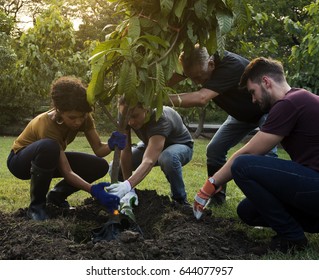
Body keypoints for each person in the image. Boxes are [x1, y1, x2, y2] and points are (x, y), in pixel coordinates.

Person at [193, 57, 319, 254]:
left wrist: (209, 186)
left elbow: (250, 151)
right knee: (248, 211)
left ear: (266, 82)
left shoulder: (289, 103)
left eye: (253, 92)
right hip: (313, 187)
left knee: (243, 165)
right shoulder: (299, 99)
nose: (253, 100)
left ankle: (292, 237)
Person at [167, 45, 277, 204]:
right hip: (240, 116)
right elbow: (172, 78)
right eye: (191, 77)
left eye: (198, 77)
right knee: (214, 150)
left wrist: (160, 99)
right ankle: (217, 196)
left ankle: (267, 201)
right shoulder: (200, 63)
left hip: (265, 110)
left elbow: (201, 98)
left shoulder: (230, 65)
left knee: (267, 154)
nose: (196, 82)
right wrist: (148, 90)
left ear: (211, 64)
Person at [7, 76, 126, 221]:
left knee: (99, 166)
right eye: (72, 117)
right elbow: (67, 172)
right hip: (20, 162)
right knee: (49, 146)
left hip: (50, 159)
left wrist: (112, 144)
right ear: (59, 110)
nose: (78, 122)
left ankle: (56, 196)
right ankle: (36, 207)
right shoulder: (46, 124)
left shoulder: (84, 117)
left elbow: (99, 150)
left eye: (81, 116)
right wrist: (93, 190)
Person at [105, 97, 194, 205]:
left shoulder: (160, 117)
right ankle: (124, 199)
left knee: (168, 157)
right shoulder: (125, 113)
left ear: (146, 108)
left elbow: (149, 160)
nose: (130, 121)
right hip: (151, 144)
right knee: (115, 165)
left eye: (135, 116)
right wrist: (129, 189)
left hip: (180, 145)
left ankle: (180, 201)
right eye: (126, 117)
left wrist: (128, 184)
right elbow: (126, 150)